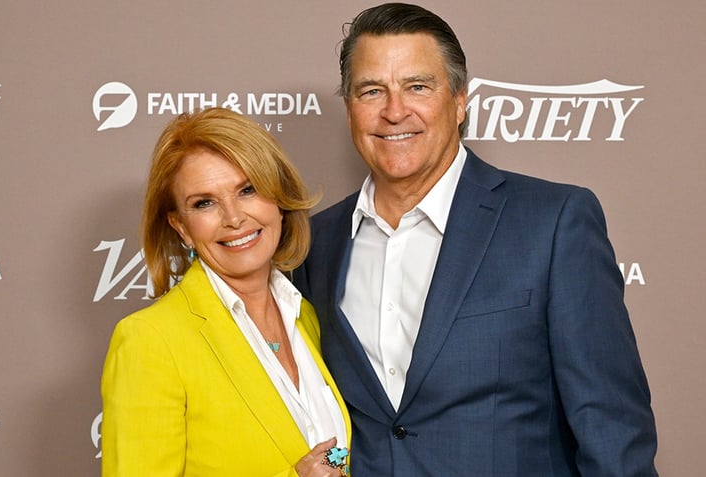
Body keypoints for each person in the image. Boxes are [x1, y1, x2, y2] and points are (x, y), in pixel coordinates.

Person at [293, 3, 658, 476]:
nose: (394, 110)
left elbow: (611, 430)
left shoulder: (553, 222)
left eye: (417, 86)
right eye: (371, 91)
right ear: (349, 110)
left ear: (460, 101)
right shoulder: (315, 242)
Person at [101, 107, 351, 477]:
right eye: (204, 203)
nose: (233, 218)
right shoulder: (150, 341)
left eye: (247, 190)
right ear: (182, 227)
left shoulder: (308, 318)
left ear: (278, 198)